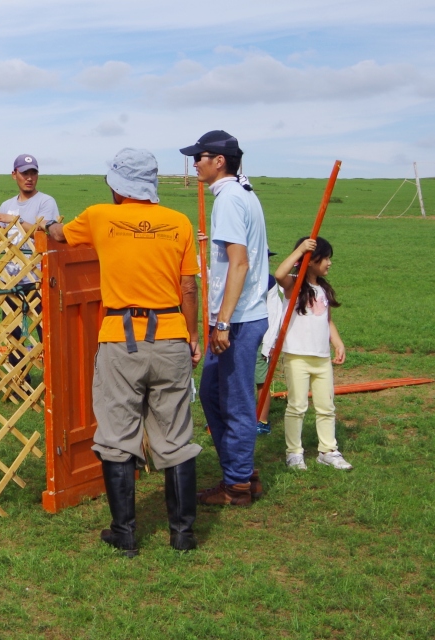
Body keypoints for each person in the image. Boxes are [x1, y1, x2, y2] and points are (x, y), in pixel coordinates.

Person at [46, 148, 202, 554]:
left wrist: (47, 223)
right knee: (175, 437)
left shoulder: (100, 217)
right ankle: (182, 535)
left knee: (117, 434)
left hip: (121, 337)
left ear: (117, 185)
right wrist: (192, 336)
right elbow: (189, 287)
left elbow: (59, 235)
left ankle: (125, 533)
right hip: (170, 335)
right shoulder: (180, 222)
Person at [181, 130, 269, 507]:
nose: (195, 163)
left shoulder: (231, 199)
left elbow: (240, 263)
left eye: (199, 157)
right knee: (217, 396)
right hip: (239, 315)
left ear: (219, 161)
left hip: (238, 319)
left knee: (234, 401)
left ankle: (237, 486)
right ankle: (241, 471)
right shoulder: (238, 194)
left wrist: (222, 322)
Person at [273, 237, 352, 471]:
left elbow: (326, 320)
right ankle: (294, 453)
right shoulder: (294, 285)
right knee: (297, 406)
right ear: (311, 260)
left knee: (326, 406)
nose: (329, 263)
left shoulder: (322, 289)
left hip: (321, 358)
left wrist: (337, 342)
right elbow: (279, 274)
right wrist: (300, 250)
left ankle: (328, 450)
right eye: (325, 258)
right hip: (297, 356)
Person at [0, 154, 59, 389]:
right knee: (13, 334)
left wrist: (14, 220)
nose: (29, 178)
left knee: (44, 333)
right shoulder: (6, 205)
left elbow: (46, 232)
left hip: (37, 278)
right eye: (24, 173)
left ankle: (53, 384)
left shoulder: (45, 202)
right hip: (11, 277)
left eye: (33, 173)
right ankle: (19, 383)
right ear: (14, 174)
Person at [256, 270, 282, 434]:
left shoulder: (268, 281)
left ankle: (262, 421)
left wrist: (270, 343)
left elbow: (275, 313)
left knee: (261, 380)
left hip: (262, 337)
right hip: (239, 335)